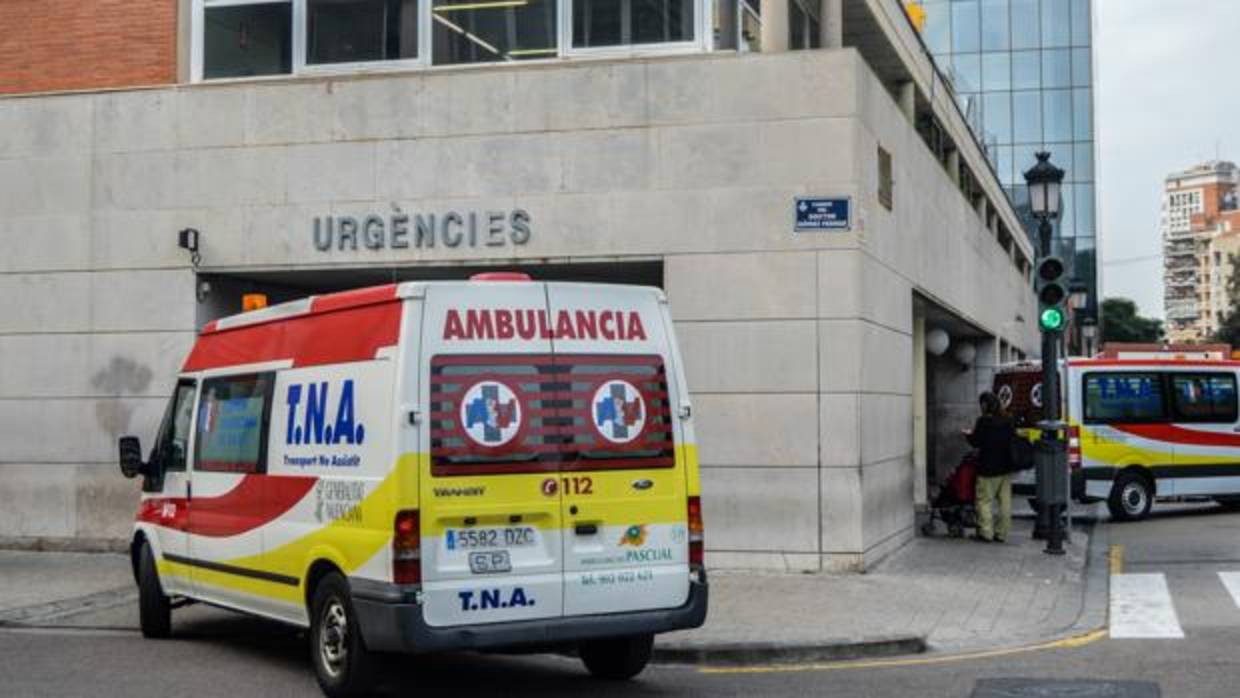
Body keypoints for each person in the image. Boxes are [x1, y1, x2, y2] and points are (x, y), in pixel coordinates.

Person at [964, 391, 1016, 543]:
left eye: (981, 404)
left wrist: (967, 434)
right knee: (1005, 502)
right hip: (1006, 466)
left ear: (985, 405)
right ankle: (1002, 533)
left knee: (984, 501)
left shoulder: (983, 421)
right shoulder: (1008, 419)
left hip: (988, 467)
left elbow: (976, 442)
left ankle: (986, 533)